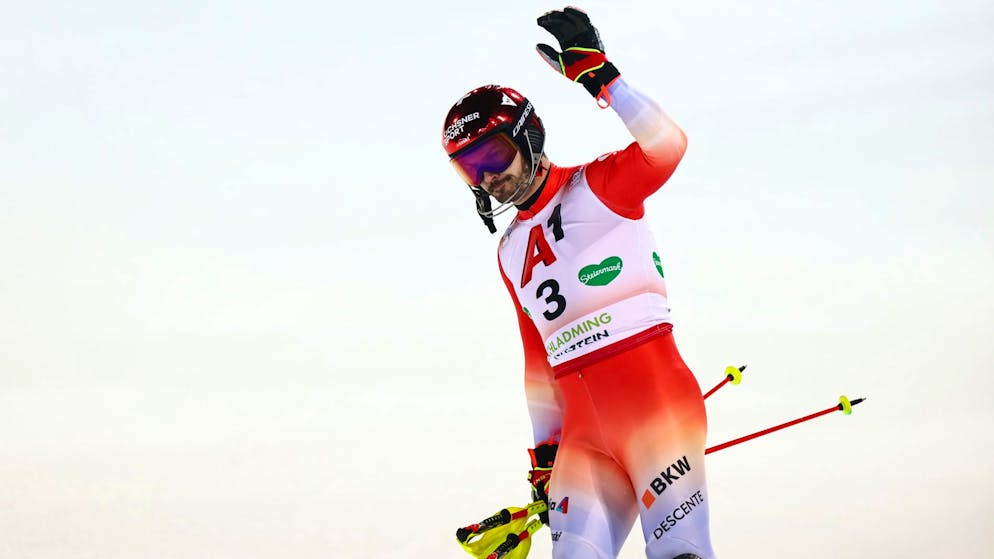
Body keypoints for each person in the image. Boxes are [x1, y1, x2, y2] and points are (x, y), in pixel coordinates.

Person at [441, 7, 716, 559]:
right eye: (470, 168)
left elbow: (669, 147)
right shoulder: (510, 248)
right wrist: (544, 455)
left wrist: (604, 79)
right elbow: (537, 361)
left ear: (529, 136)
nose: (489, 178)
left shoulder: (600, 187)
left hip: (655, 408)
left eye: (493, 155)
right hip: (582, 441)